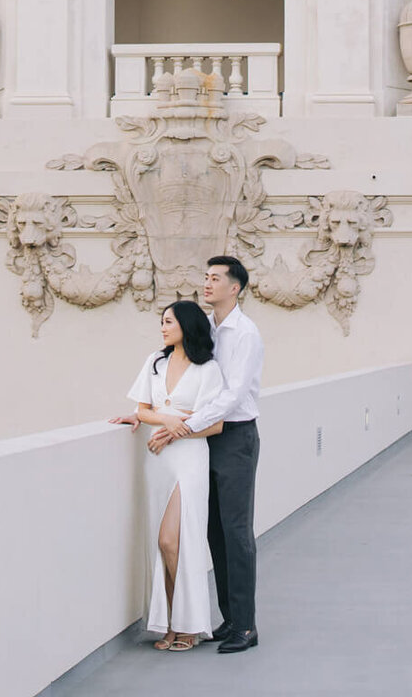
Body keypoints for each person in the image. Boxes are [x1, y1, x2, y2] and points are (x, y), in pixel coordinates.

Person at [149, 256, 263, 654]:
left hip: (234, 437)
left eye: (215, 279)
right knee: (212, 531)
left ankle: (246, 627)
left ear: (235, 288)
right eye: (206, 277)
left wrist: (186, 423)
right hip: (203, 439)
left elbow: (231, 397)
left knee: (236, 531)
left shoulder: (245, 333)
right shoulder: (209, 328)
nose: (207, 283)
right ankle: (227, 619)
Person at [122, 300, 228, 651]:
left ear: (187, 324)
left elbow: (214, 424)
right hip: (158, 459)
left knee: (175, 541)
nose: (163, 327)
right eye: (162, 322)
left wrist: (172, 428)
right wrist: (167, 421)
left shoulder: (207, 369)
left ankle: (191, 624)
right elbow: (142, 409)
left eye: (169, 321)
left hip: (189, 458)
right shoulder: (156, 362)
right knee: (164, 543)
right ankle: (171, 625)